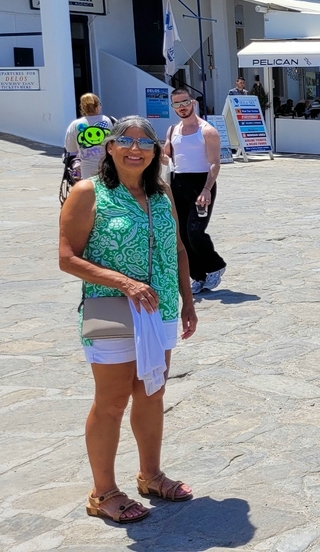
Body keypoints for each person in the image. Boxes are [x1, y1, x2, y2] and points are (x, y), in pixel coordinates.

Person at [59, 116, 198, 524]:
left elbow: (178, 251)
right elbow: (67, 258)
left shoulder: (161, 194)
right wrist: (124, 282)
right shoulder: (89, 193)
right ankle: (103, 492)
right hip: (113, 311)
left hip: (161, 311)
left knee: (152, 392)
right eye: (126, 140)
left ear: (156, 151)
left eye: (144, 141)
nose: (134, 148)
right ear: (110, 148)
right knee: (112, 401)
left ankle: (150, 475)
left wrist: (188, 302)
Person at [162, 90, 226, 294]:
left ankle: (215, 265)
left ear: (193, 103)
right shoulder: (173, 130)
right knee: (180, 233)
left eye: (185, 102)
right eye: (177, 104)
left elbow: (215, 163)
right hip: (178, 182)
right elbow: (166, 156)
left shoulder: (207, 131)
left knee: (195, 231)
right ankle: (197, 276)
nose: (182, 107)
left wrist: (207, 189)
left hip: (201, 183)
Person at [65, 93, 116, 181]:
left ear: (82, 107)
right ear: (98, 107)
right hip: (109, 168)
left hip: (87, 172)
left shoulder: (74, 125)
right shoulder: (110, 121)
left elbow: (70, 149)